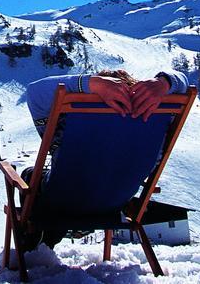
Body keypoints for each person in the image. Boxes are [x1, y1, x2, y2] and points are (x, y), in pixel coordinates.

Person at [21, 68, 189, 249]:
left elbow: (35, 92)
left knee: (29, 176)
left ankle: (38, 242)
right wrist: (163, 83)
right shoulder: (157, 120)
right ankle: (47, 238)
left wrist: (92, 84)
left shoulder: (69, 119)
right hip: (114, 203)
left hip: (65, 200)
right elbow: (184, 82)